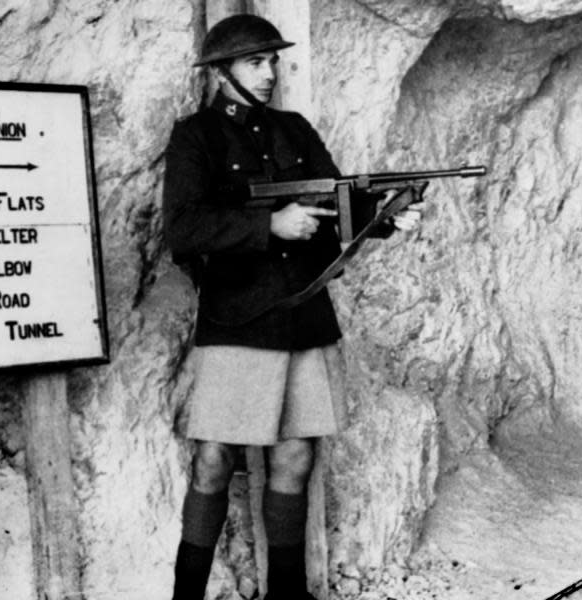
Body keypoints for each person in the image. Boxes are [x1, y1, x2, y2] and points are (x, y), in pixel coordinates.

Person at [162, 14, 419, 600]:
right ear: (221, 72)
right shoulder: (195, 137)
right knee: (213, 461)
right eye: (256, 61)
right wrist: (269, 225)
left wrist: (385, 218)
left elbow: (338, 212)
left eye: (273, 60)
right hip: (239, 319)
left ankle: (287, 595)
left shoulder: (295, 131)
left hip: (303, 317)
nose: (270, 71)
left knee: (296, 458)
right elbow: (183, 228)